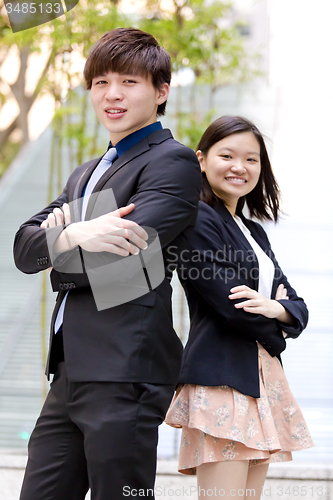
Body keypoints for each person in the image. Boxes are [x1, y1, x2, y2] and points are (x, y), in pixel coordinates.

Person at [13, 27, 201, 500]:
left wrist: (56, 251)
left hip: (125, 369)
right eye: (101, 82)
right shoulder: (87, 170)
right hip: (71, 370)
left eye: (129, 82)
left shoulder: (172, 162)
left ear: (161, 92)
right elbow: (21, 247)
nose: (111, 94)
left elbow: (128, 259)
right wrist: (77, 232)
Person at [165, 116, 314, 499]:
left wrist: (277, 310)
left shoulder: (254, 231)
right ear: (201, 159)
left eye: (252, 159)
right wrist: (277, 329)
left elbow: (297, 305)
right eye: (227, 155)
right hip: (221, 376)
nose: (240, 167)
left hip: (262, 379)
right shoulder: (195, 218)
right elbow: (230, 305)